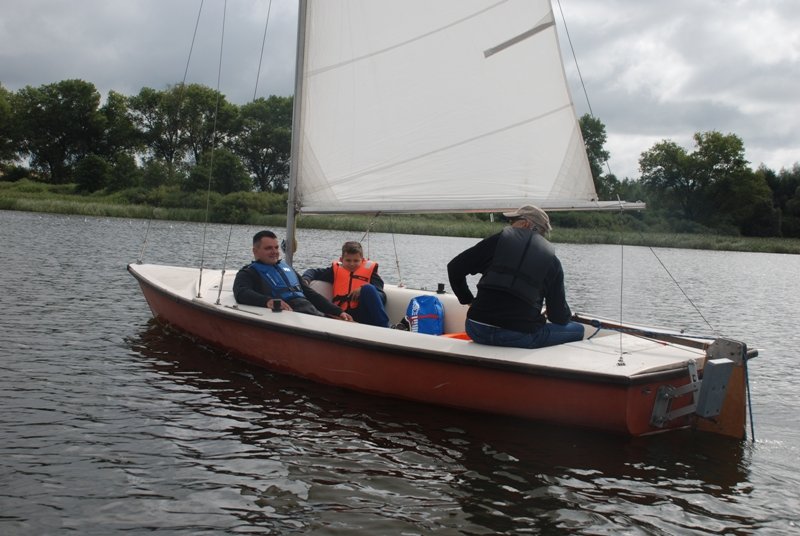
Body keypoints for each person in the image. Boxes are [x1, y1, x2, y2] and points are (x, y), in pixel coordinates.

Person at [447, 205, 584, 348]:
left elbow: (454, 268)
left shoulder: (496, 242)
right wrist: (562, 314)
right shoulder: (552, 262)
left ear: (526, 224)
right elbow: (558, 318)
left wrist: (468, 300)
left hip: (476, 329)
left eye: (512, 221)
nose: (510, 225)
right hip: (518, 336)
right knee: (578, 330)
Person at [233, 230, 353, 321]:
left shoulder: (287, 269)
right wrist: (268, 301)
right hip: (287, 316)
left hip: (310, 313)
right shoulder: (249, 273)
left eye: (276, 247)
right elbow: (241, 292)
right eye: (268, 248)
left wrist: (338, 311)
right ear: (255, 251)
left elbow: (310, 294)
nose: (274, 252)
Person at [302, 241, 390, 327]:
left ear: (362, 260)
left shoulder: (371, 273)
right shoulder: (335, 271)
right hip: (342, 315)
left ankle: (385, 328)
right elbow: (313, 272)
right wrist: (305, 280)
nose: (352, 264)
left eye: (356, 261)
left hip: (364, 315)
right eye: (348, 260)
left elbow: (381, 295)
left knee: (368, 289)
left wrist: (363, 289)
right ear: (341, 260)